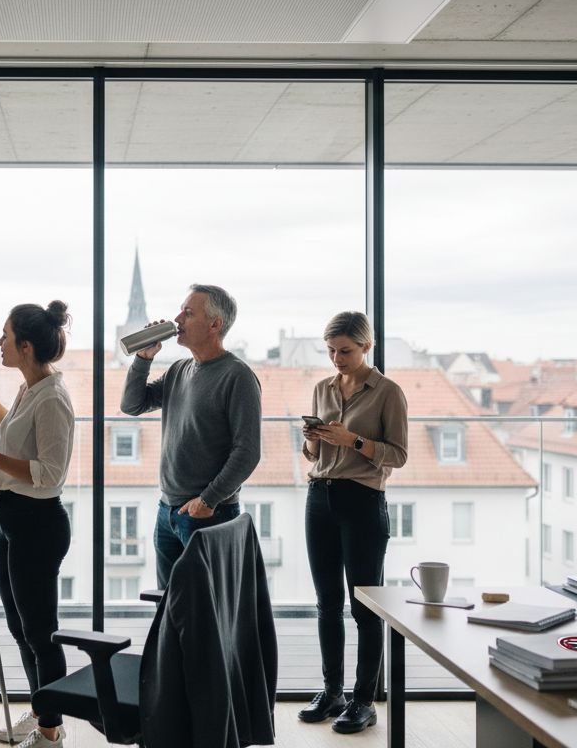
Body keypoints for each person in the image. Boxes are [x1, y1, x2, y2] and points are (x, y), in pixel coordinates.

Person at [0, 301, 76, 748]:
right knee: (20, 627)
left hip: (38, 524)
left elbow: (49, 472)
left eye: (5, 336)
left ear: (25, 346)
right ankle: (42, 707)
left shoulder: (54, 398)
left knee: (40, 633)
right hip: (13, 520)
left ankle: (50, 730)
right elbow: (14, 430)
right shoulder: (31, 389)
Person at [296, 311, 408, 734]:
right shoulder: (322, 388)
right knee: (326, 603)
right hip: (319, 496)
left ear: (367, 347)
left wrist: (353, 440)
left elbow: (397, 454)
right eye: (330, 351)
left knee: (364, 607)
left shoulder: (388, 392)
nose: (337, 359)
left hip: (363, 500)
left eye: (345, 351)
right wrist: (312, 438)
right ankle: (332, 692)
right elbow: (312, 456)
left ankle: (364, 700)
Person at [121, 284, 262, 589]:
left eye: (188, 312)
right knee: (171, 611)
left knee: (209, 613)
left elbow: (247, 452)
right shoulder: (179, 370)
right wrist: (143, 358)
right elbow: (132, 405)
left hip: (208, 515)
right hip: (167, 512)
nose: (177, 319)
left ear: (215, 324)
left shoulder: (237, 376)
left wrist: (207, 501)